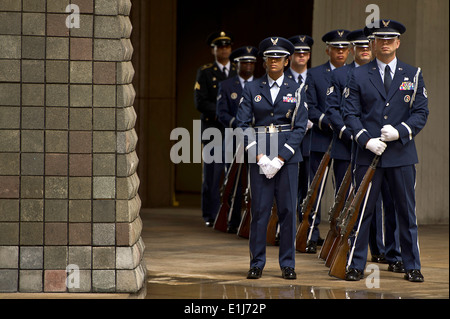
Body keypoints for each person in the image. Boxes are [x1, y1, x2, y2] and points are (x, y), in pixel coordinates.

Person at [342, 19, 429, 282]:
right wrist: (365, 139)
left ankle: (411, 264)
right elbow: (350, 113)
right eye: (381, 39)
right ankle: (356, 264)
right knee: (363, 212)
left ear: (398, 42)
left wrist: (401, 131)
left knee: (406, 213)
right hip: (368, 154)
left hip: (401, 154)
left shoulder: (412, 74)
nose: (386, 43)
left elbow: (421, 111)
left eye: (391, 39)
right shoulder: (357, 75)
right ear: (373, 43)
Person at [236, 36, 308, 280]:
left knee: (288, 210)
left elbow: (299, 128)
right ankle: (257, 262)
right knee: (260, 211)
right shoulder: (252, 88)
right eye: (269, 58)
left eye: (278, 57)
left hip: (287, 157)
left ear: (287, 61)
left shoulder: (297, 89)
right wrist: (259, 156)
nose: (274, 61)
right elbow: (242, 124)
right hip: (260, 154)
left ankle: (287, 263)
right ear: (264, 62)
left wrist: (280, 158)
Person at [304, 29, 350, 253]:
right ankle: (311, 233)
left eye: (344, 49)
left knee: (342, 190)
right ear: (327, 50)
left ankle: (338, 235)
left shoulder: (356, 73)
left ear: (349, 51)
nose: (340, 52)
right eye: (336, 48)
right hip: (322, 138)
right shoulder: (314, 74)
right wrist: (328, 123)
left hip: (345, 141)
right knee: (316, 190)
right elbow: (310, 107)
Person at [194, 31, 237, 227]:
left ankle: (231, 212)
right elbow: (200, 102)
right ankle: (210, 214)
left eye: (227, 46)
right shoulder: (205, 72)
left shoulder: (238, 71)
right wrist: (223, 114)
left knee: (234, 172)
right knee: (213, 172)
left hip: (234, 130)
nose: (224, 49)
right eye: (220, 47)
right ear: (214, 50)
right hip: (213, 128)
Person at [216, 45, 258, 233]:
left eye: (251, 62)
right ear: (237, 64)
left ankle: (251, 221)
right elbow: (221, 113)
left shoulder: (261, 85)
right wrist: (239, 124)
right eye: (244, 62)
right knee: (233, 182)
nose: (248, 65)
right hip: (234, 138)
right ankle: (232, 220)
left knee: (253, 181)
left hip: (256, 139)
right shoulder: (226, 86)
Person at [286, 35, 314, 223]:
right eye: (297, 53)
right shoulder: (283, 77)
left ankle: (307, 229)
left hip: (311, 140)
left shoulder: (316, 77)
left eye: (305, 53)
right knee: (286, 187)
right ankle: (282, 228)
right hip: (287, 139)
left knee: (308, 186)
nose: (301, 56)